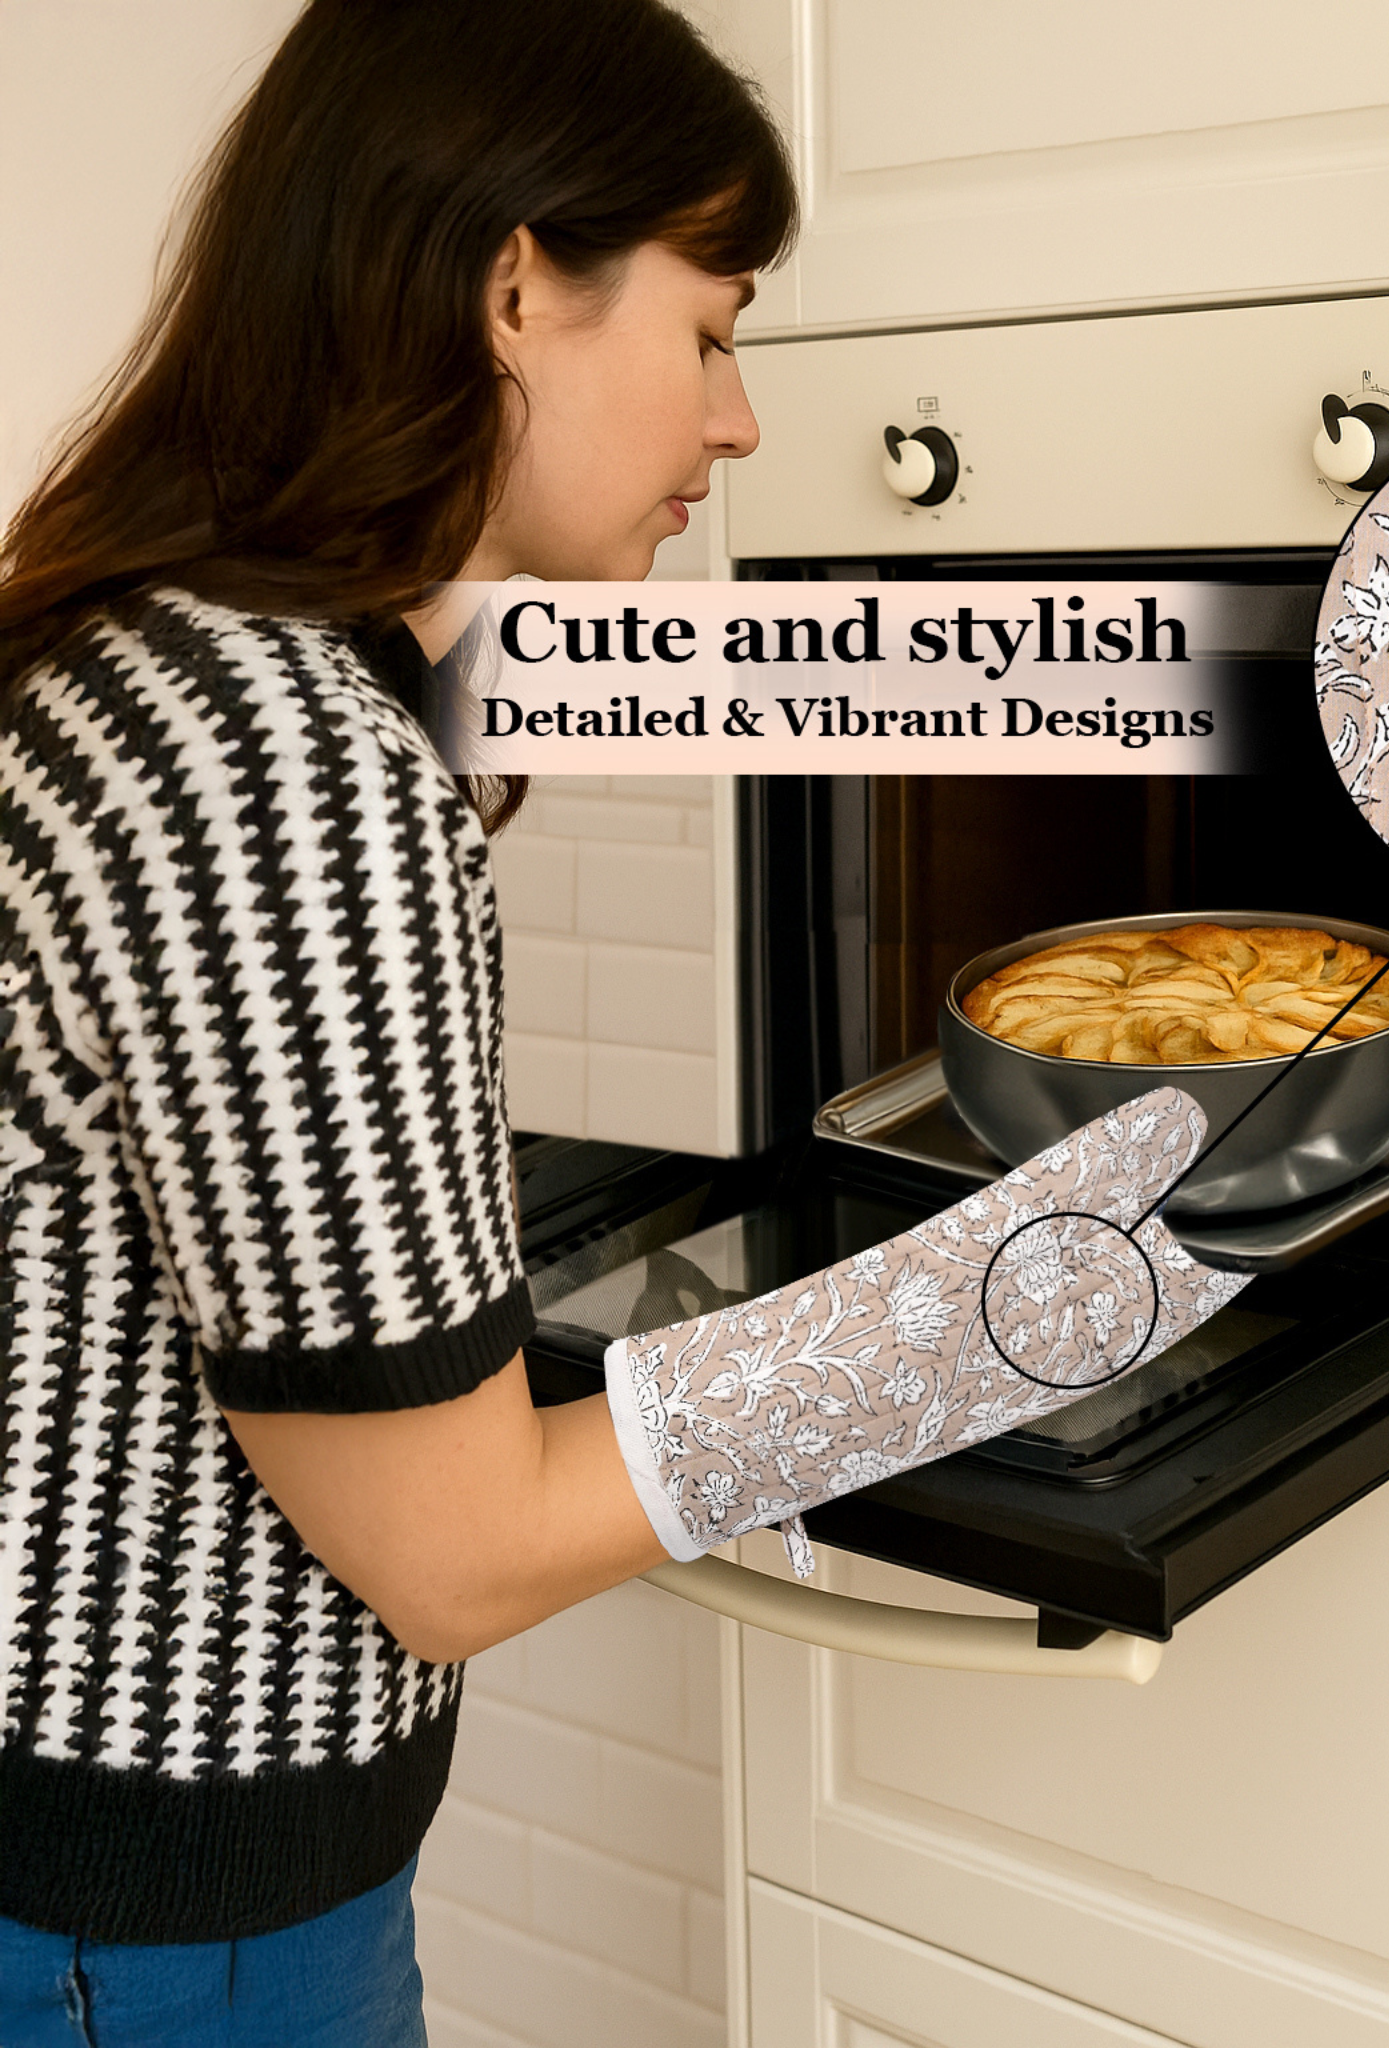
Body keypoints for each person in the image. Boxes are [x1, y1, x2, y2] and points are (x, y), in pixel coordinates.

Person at [0, 1, 796, 2037]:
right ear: (515, 284)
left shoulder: (156, 658)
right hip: (148, 1927)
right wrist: (1008, 1310)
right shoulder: (273, 751)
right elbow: (452, 1554)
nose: (739, 421)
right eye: (712, 327)